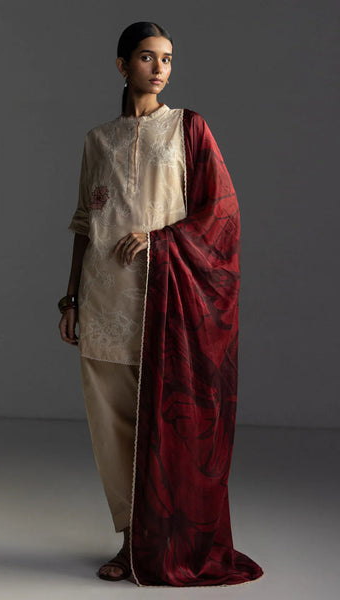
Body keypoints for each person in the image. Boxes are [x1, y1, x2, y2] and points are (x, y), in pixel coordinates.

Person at [59, 21, 264, 587]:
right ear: (122, 65)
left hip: (164, 304)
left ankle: (166, 542)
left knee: (164, 422)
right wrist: (71, 298)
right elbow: (85, 224)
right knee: (112, 429)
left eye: (167, 59)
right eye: (148, 57)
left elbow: (222, 214)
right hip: (103, 301)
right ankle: (131, 540)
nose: (159, 68)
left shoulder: (187, 128)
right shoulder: (98, 140)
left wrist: (160, 240)